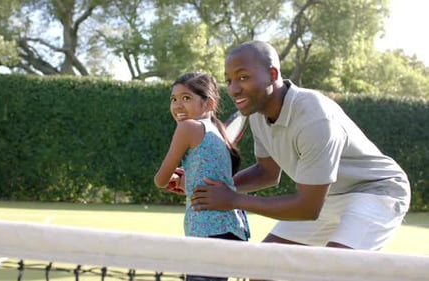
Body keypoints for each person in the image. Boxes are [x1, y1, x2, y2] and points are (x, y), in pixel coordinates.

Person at [190, 40, 411, 251]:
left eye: (243, 77)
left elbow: (307, 207)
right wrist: (212, 187)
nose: (234, 89)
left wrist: (234, 199)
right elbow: (267, 173)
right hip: (325, 197)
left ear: (272, 74)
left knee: (335, 271)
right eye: (229, 80)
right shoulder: (257, 113)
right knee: (262, 270)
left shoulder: (315, 116)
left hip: (376, 190)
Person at [154, 72, 250, 281]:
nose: (178, 105)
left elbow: (160, 179)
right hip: (232, 230)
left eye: (186, 98)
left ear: (208, 103)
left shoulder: (187, 127)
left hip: (208, 235)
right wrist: (186, 182)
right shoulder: (217, 132)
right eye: (174, 99)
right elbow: (211, 180)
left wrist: (172, 177)